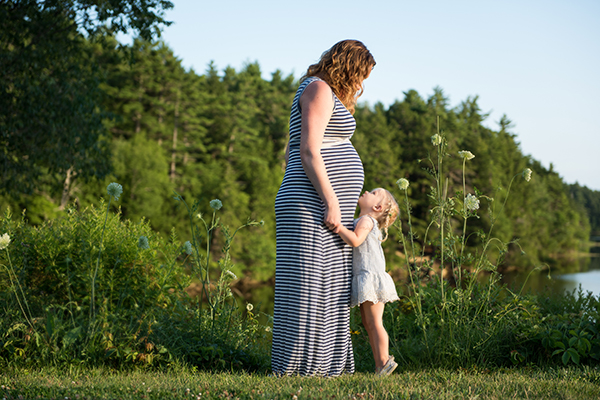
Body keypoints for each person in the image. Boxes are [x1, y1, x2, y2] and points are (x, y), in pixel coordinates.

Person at [272, 40, 375, 376]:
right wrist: (331, 200)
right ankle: (302, 369)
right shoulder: (318, 89)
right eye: (361, 74)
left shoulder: (319, 91)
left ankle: (325, 365)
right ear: (347, 67)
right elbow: (307, 152)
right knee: (306, 289)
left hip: (316, 204)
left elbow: (291, 152)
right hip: (311, 206)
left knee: (326, 286)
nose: (361, 84)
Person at [336, 188, 400, 376]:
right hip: (368, 276)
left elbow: (355, 241)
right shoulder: (366, 221)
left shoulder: (365, 221)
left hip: (370, 278)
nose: (365, 191)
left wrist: (339, 227)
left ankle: (384, 361)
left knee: (374, 322)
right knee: (369, 322)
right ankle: (379, 364)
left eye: (372, 192)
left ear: (377, 206)